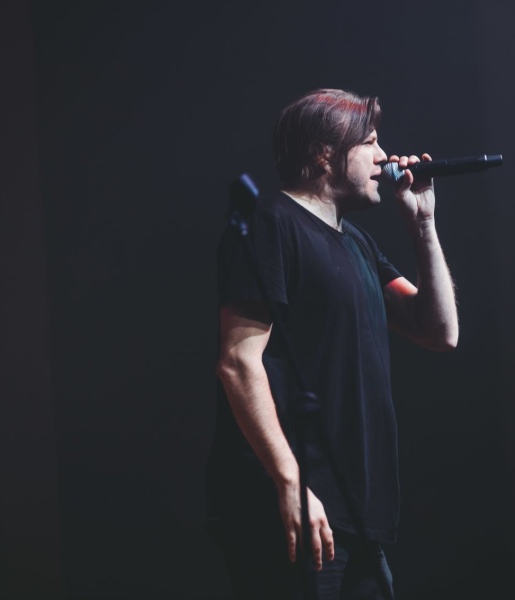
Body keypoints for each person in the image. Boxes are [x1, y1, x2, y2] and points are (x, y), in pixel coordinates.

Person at [206, 88, 458, 600]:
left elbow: (439, 331)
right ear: (325, 153)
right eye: (370, 141)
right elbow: (238, 362)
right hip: (294, 504)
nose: (385, 156)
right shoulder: (271, 221)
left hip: (356, 513)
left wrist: (423, 223)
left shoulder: (358, 242)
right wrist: (290, 481)